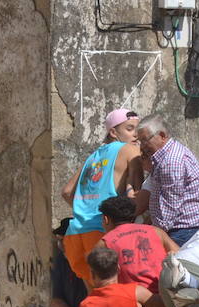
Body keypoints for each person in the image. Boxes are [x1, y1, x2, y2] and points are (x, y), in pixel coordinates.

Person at [60, 108, 141, 285]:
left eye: (138, 128)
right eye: (129, 128)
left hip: (75, 233)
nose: (137, 134)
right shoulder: (130, 150)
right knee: (114, 295)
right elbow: (138, 190)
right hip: (101, 230)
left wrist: (85, 209)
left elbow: (66, 191)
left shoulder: (93, 156)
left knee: (93, 297)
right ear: (113, 132)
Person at [134, 114, 199, 245]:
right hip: (180, 229)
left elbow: (169, 207)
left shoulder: (171, 162)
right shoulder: (166, 156)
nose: (142, 146)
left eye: (145, 140)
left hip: (182, 231)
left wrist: (154, 235)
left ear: (162, 136)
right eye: (140, 141)